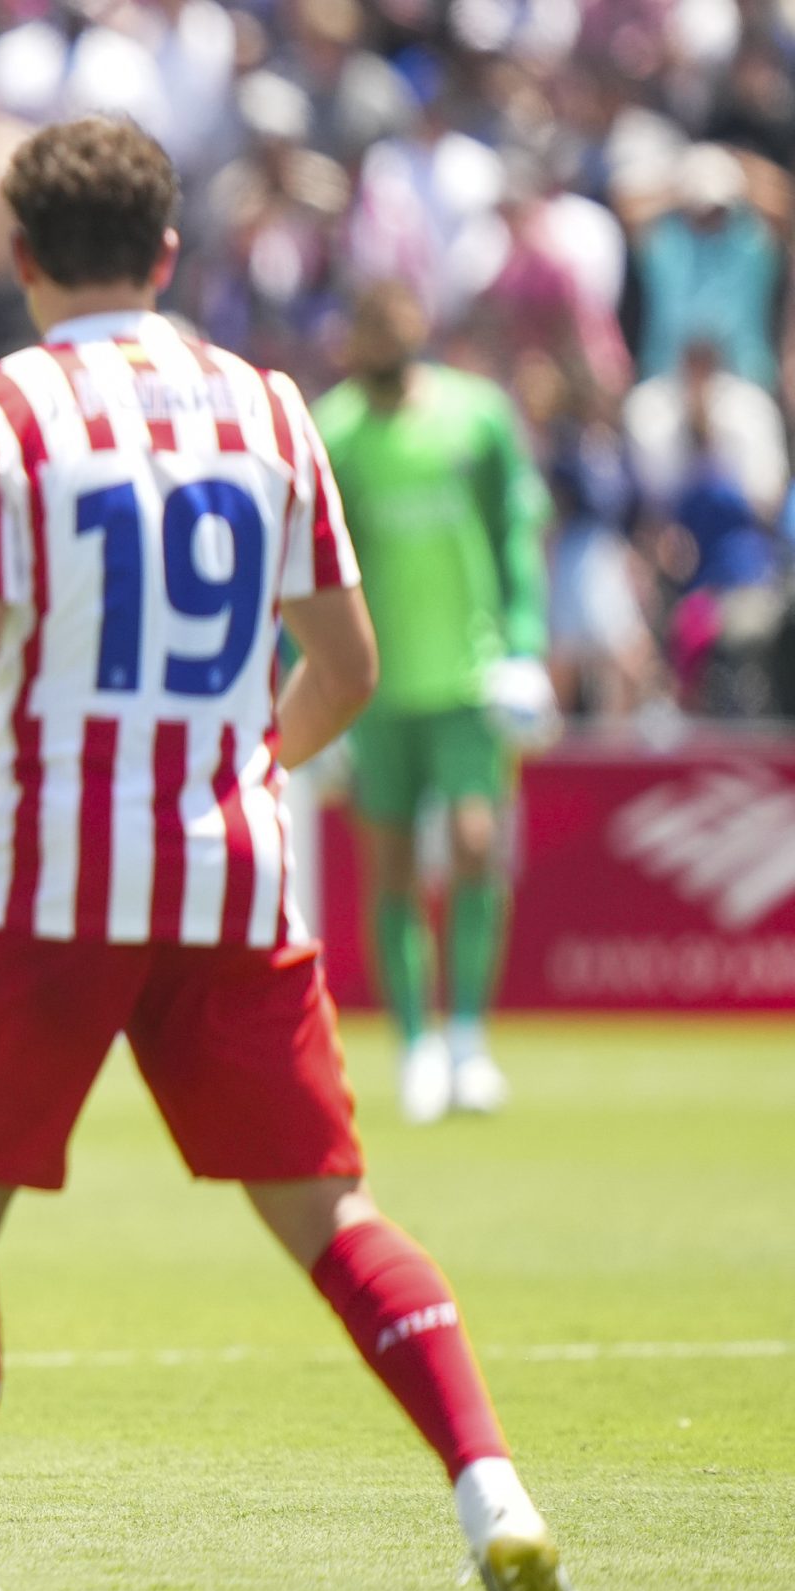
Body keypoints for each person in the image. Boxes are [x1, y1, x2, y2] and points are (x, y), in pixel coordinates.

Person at [0, 117, 579, 1591]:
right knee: (329, 1212)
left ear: (22, 259)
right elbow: (345, 664)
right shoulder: (270, 405)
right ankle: (491, 1490)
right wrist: (233, 762)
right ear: (169, 255)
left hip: (42, 878)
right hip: (231, 878)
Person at [314, 281, 553, 1124]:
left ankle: (469, 1039)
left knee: (477, 847)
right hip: (374, 690)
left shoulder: (477, 417)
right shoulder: (334, 431)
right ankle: (414, 1044)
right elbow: (306, 573)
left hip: (467, 675)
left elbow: (513, 534)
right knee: (390, 869)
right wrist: (305, 688)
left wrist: (524, 646)